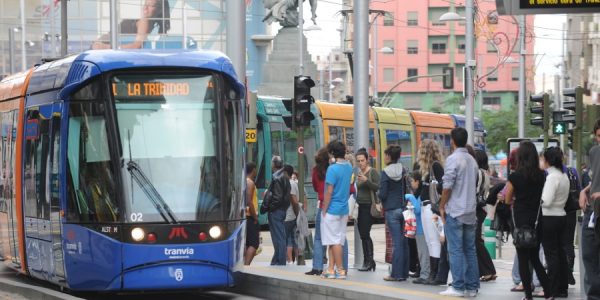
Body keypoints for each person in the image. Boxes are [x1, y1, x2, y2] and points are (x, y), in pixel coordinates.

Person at [504, 141, 551, 300]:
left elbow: (507, 198)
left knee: (523, 259)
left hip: (520, 220)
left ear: (520, 157)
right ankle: (548, 292)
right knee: (535, 258)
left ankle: (528, 295)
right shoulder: (541, 175)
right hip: (537, 221)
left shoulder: (515, 176)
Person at [438, 128, 479, 297]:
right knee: (470, 250)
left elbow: (447, 186)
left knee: (455, 250)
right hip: (470, 212)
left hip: (455, 211)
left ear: (453, 141)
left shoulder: (453, 159)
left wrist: (442, 206)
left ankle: (458, 286)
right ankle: (472, 287)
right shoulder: (472, 160)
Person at [536, 147, 570, 298]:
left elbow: (547, 201)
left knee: (551, 255)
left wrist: (537, 201)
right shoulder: (564, 176)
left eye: (542, 159)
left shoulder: (551, 177)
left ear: (548, 161)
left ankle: (551, 288)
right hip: (562, 216)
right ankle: (563, 287)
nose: (541, 162)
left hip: (549, 217)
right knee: (560, 253)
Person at [413, 139, 444, 285]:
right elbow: (421, 190)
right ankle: (432, 273)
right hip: (425, 207)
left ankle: (435, 273)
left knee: (434, 241)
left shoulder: (436, 166)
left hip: (432, 208)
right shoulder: (424, 168)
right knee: (429, 241)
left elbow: (442, 187)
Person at [321, 141, 353, 280]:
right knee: (336, 240)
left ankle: (340, 270)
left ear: (332, 153)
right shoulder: (349, 167)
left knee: (334, 242)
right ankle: (330, 269)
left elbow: (329, 191)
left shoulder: (332, 169)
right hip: (344, 209)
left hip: (332, 209)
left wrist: (324, 209)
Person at [379, 145, 409, 281]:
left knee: (397, 243)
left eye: (385, 155)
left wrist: (378, 194)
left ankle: (396, 274)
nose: (384, 157)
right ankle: (404, 272)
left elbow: (383, 194)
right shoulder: (403, 170)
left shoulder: (385, 172)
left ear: (389, 156)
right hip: (402, 209)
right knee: (403, 242)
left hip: (391, 210)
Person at [91, 0, 170, 49]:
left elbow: (137, 46)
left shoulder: (149, 23)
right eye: (145, 3)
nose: (145, 7)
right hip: (100, 47)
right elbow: (137, 46)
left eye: (151, 5)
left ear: (160, 10)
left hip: (101, 47)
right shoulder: (145, 21)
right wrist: (107, 48)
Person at [579, 119, 600, 300]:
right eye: (599, 136)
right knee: (589, 256)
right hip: (592, 213)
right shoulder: (594, 152)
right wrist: (584, 191)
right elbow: (594, 181)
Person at [355, 148, 380, 272]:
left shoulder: (372, 172)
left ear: (367, 160)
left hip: (369, 206)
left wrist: (367, 181)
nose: (360, 163)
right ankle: (369, 261)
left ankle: (369, 261)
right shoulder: (358, 172)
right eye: (358, 161)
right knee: (362, 235)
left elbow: (378, 187)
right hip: (359, 206)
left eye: (362, 160)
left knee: (365, 234)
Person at [474, 150, 497, 282]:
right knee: (477, 240)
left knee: (476, 241)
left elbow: (475, 192)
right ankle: (489, 270)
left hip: (477, 209)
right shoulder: (484, 172)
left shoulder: (478, 173)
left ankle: (488, 271)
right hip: (481, 209)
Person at [306, 148, 329, 276]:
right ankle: (336, 266)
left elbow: (315, 187)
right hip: (333, 205)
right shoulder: (332, 169)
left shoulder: (316, 171)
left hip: (322, 206)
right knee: (333, 238)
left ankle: (317, 267)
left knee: (318, 238)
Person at [265, 156, 291, 266]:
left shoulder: (277, 177)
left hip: (276, 210)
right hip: (281, 210)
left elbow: (277, 197)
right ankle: (276, 260)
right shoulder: (284, 176)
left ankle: (280, 261)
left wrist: (270, 207)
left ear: (273, 164)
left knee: (279, 237)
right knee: (278, 236)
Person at [407, 170, 431, 284]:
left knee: (423, 252)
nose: (411, 183)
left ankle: (425, 274)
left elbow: (417, 210)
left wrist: (410, 197)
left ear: (417, 181)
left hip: (422, 228)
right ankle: (424, 273)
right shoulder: (419, 192)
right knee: (422, 252)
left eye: (412, 181)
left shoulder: (421, 193)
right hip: (421, 227)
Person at [283, 165, 300, 264]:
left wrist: (296, 213)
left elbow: (294, 200)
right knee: (293, 239)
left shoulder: (289, 183)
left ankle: (289, 260)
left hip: (289, 216)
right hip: (292, 215)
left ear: (286, 173)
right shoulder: (293, 183)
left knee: (287, 239)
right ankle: (297, 260)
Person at [244, 162, 259, 265]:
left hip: (245, 216)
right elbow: (249, 201)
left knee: (247, 243)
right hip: (249, 216)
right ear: (253, 170)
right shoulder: (250, 183)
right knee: (254, 243)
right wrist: (255, 217)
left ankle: (244, 264)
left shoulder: (243, 181)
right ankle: (246, 265)